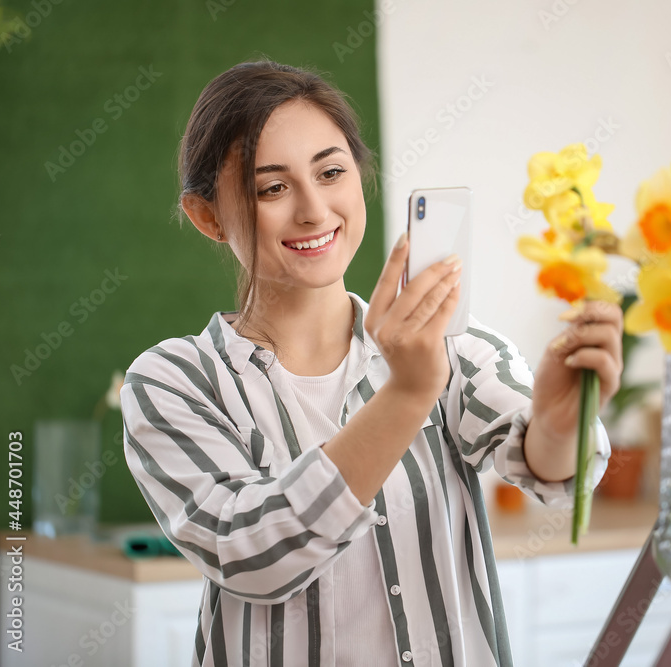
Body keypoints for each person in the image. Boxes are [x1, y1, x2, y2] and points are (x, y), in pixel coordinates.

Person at [120, 59, 623, 667]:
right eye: (271, 187)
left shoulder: (457, 349)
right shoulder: (174, 381)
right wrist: (407, 397)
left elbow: (552, 470)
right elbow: (250, 557)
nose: (313, 209)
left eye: (331, 172)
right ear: (207, 217)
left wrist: (561, 420)